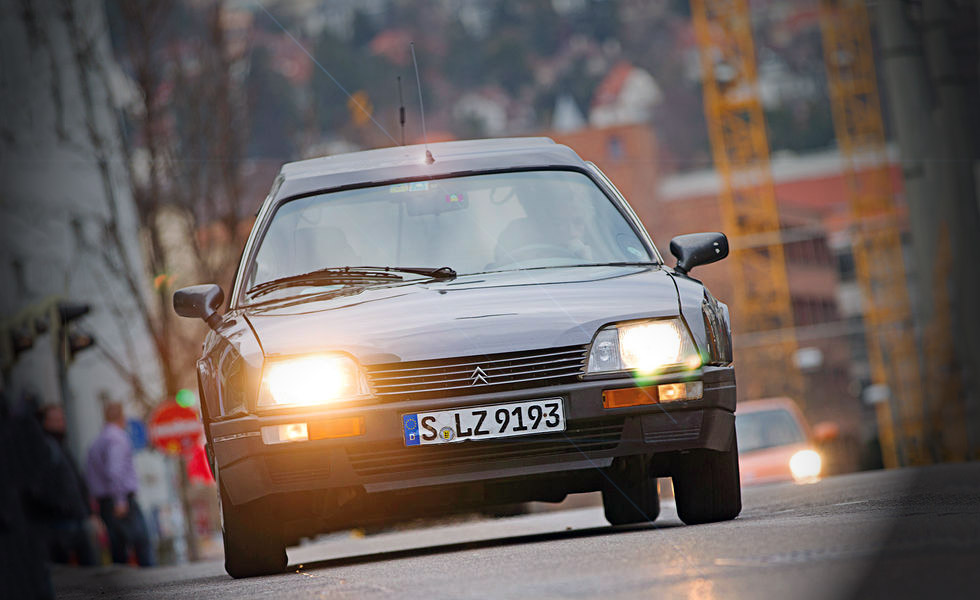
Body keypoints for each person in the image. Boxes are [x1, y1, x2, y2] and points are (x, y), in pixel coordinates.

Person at [85, 401, 154, 566]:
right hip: (121, 500)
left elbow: (89, 473)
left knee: (117, 547)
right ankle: (151, 579)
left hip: (105, 501)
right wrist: (120, 500)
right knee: (141, 542)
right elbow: (114, 471)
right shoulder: (118, 438)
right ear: (122, 417)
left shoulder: (98, 441)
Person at [32, 404, 98, 566]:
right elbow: (38, 485)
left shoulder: (62, 447)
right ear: (45, 422)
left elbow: (76, 481)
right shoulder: (44, 447)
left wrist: (89, 512)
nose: (60, 423)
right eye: (54, 420)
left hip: (76, 519)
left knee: (90, 572)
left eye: (61, 419)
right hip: (58, 522)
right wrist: (59, 506)